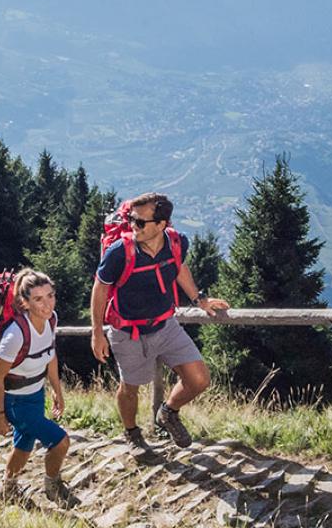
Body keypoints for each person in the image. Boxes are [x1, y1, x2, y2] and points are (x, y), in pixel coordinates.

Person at [90, 192, 230, 450]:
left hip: (165, 325)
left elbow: (178, 268)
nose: (133, 226)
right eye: (131, 220)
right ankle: (132, 434)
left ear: (162, 225)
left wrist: (200, 300)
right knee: (130, 388)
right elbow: (100, 288)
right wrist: (97, 332)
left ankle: (168, 412)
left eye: (140, 222)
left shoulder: (177, 243)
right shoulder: (119, 251)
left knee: (199, 379)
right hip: (127, 331)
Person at [0, 268, 76, 505]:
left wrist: (57, 391)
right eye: (38, 299)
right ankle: (53, 485)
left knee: (23, 445)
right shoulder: (15, 335)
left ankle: (8, 489)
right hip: (15, 402)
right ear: (24, 303)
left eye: (50, 295)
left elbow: (50, 356)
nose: (47, 304)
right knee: (60, 441)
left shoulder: (51, 320)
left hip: (36, 395)